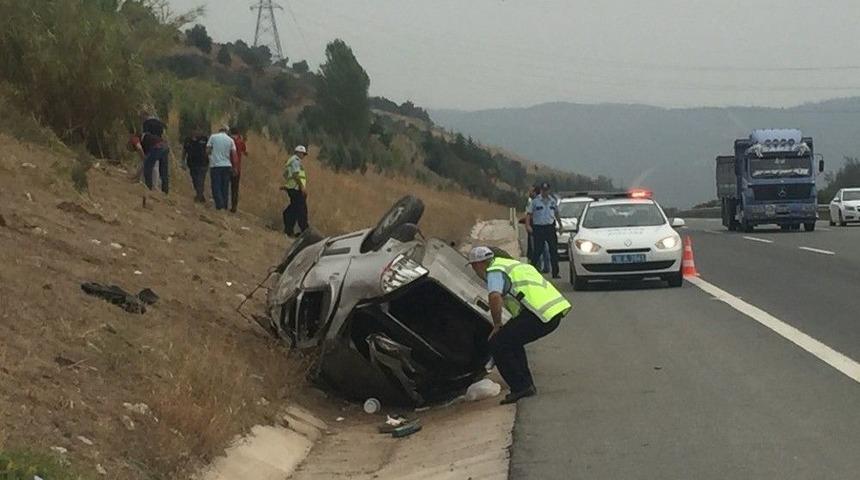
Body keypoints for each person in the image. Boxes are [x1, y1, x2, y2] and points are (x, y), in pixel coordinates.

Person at [467, 246, 571, 404]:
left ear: (479, 264)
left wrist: (497, 324)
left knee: (498, 342)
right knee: (511, 340)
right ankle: (525, 385)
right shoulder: (513, 265)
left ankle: (521, 387)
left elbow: (495, 297)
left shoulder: (494, 271)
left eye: (474, 267)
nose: (475, 271)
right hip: (552, 311)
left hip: (539, 314)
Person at [527, 182, 562, 278]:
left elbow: (556, 213)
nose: (545, 192)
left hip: (550, 227)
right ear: (541, 190)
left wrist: (560, 225)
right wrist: (528, 226)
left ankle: (555, 273)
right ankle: (531, 271)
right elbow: (529, 214)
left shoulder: (552, 201)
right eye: (543, 190)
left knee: (553, 251)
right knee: (537, 251)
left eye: (546, 190)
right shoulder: (535, 201)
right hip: (539, 228)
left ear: (549, 190)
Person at [133, 113, 170, 193]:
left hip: (157, 147)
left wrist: (135, 177)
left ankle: (148, 187)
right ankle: (165, 191)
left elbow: (140, 150)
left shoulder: (135, 138)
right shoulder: (151, 134)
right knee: (163, 171)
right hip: (165, 146)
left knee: (148, 167)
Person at [206, 125, 237, 211]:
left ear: (219, 130)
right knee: (225, 186)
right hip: (227, 165)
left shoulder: (213, 137)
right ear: (227, 131)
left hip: (215, 165)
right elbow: (234, 155)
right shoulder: (230, 140)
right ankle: (225, 205)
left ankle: (220, 205)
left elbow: (207, 150)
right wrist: (235, 168)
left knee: (216, 186)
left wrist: (211, 155)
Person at [282, 145, 309, 237]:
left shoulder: (291, 161)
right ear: (298, 152)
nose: (303, 156)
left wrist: (286, 186)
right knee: (301, 210)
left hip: (293, 188)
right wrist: (302, 187)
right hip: (296, 188)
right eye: (303, 154)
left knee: (292, 210)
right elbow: (295, 175)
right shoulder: (295, 161)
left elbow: (286, 175)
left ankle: (288, 230)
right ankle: (305, 232)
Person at [182, 128, 209, 203]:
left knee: (200, 180)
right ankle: (200, 195)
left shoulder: (204, 139)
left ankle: (199, 197)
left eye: (198, 130)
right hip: (192, 164)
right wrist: (182, 161)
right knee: (194, 180)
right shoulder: (187, 140)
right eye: (195, 130)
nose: (196, 132)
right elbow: (184, 151)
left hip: (203, 163)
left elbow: (209, 149)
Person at [228, 127, 248, 213]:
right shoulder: (241, 142)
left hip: (228, 165)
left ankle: (223, 203)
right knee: (235, 188)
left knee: (224, 185)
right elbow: (245, 151)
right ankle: (234, 206)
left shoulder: (229, 141)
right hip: (237, 167)